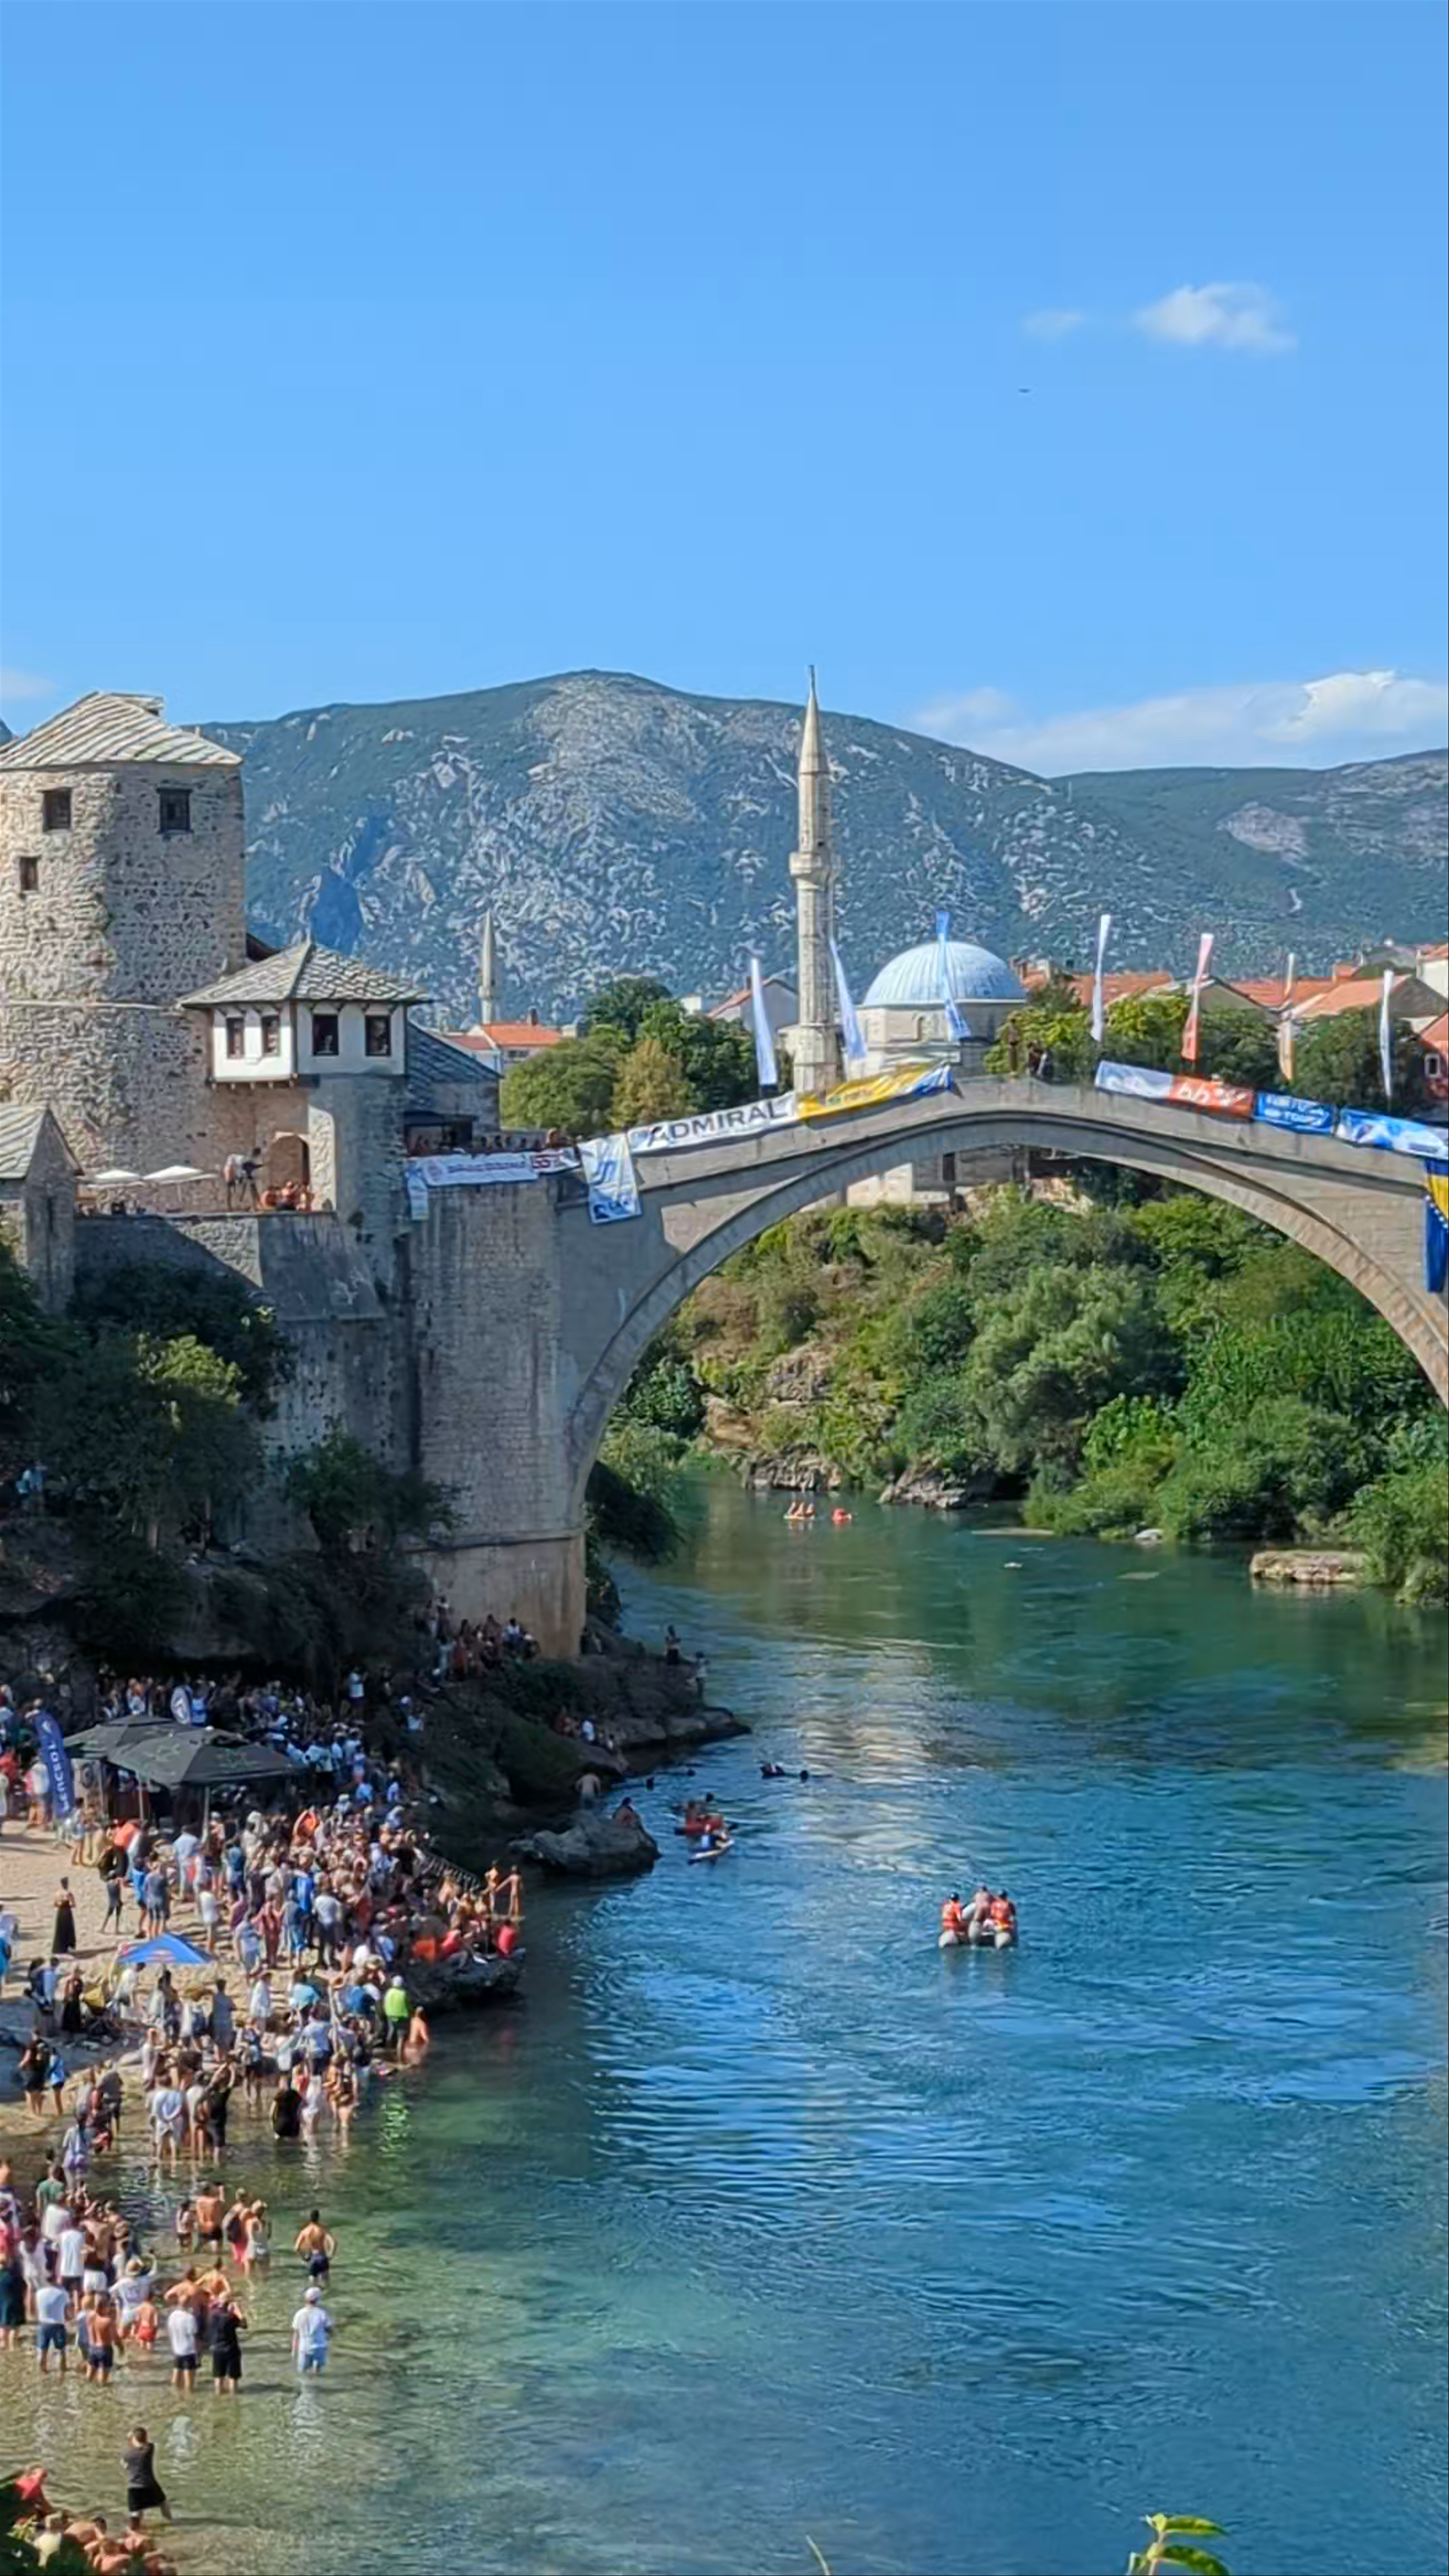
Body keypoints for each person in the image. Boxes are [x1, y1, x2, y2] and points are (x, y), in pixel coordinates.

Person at [123, 2428, 172, 2527]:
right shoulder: (149, 2449)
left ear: (134, 2440)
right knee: (164, 2504)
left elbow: (125, 2466)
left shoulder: (127, 2455)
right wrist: (136, 2437)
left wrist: (130, 2439)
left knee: (136, 2513)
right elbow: (149, 2443)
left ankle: (136, 2530)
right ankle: (171, 2524)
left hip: (133, 2488)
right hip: (150, 2485)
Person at [291, 2282, 334, 2376]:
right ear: (318, 2300)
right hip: (319, 2347)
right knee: (317, 2373)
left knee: (303, 2373)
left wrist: (294, 2351)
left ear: (306, 2299)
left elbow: (296, 2335)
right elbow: (330, 2330)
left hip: (304, 2348)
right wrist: (330, 2337)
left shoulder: (299, 2314)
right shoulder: (322, 2314)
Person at [208, 2291, 246, 2396]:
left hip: (217, 2349)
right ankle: (233, 2398)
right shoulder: (231, 2317)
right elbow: (244, 2325)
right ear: (230, 2303)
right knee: (233, 2378)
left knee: (218, 2377)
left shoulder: (213, 2314)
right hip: (231, 2349)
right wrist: (238, 2310)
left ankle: (218, 2397)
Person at [34, 2276, 70, 2373]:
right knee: (61, 2350)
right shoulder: (63, 2293)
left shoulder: (39, 2293)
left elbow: (37, 2310)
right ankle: (62, 2371)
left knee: (42, 2350)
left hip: (43, 2324)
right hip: (58, 2325)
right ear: (57, 2280)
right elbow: (67, 2314)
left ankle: (42, 2372)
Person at [295, 2211, 336, 2282]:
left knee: (313, 2284)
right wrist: (331, 2255)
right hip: (323, 2258)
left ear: (310, 2219)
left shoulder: (305, 2231)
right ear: (318, 2218)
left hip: (313, 2259)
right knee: (326, 2284)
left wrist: (304, 2258)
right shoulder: (322, 2230)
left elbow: (297, 2248)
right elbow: (334, 2243)